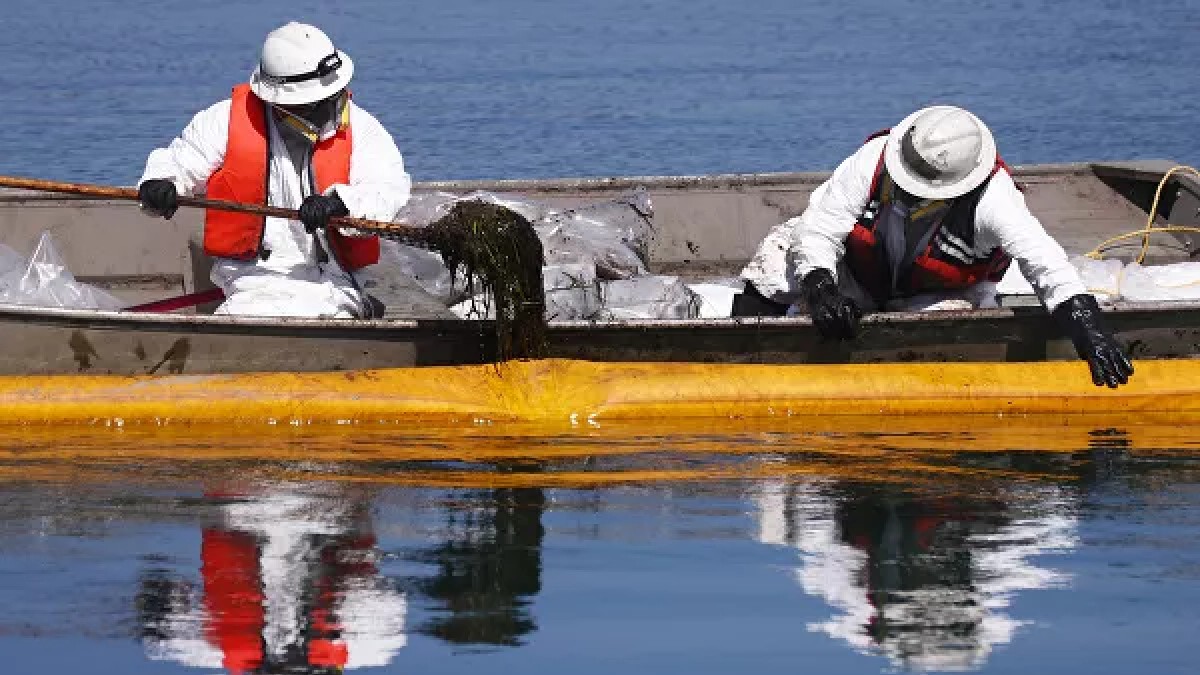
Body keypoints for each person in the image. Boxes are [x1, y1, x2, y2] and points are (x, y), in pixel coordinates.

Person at [737, 105, 1133, 388]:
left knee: (947, 326)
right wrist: (820, 288)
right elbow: (820, 229)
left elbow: (1047, 267)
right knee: (781, 249)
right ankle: (736, 352)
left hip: (936, 296)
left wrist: (1092, 336)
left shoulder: (996, 201)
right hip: (860, 275)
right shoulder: (873, 159)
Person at [137, 22, 412, 318]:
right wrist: (161, 184)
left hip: (337, 276)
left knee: (327, 315)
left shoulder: (364, 129)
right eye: (311, 103)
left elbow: (387, 189)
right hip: (252, 278)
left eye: (330, 97)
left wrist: (340, 204)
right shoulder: (224, 120)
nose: (324, 108)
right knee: (249, 316)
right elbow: (182, 159)